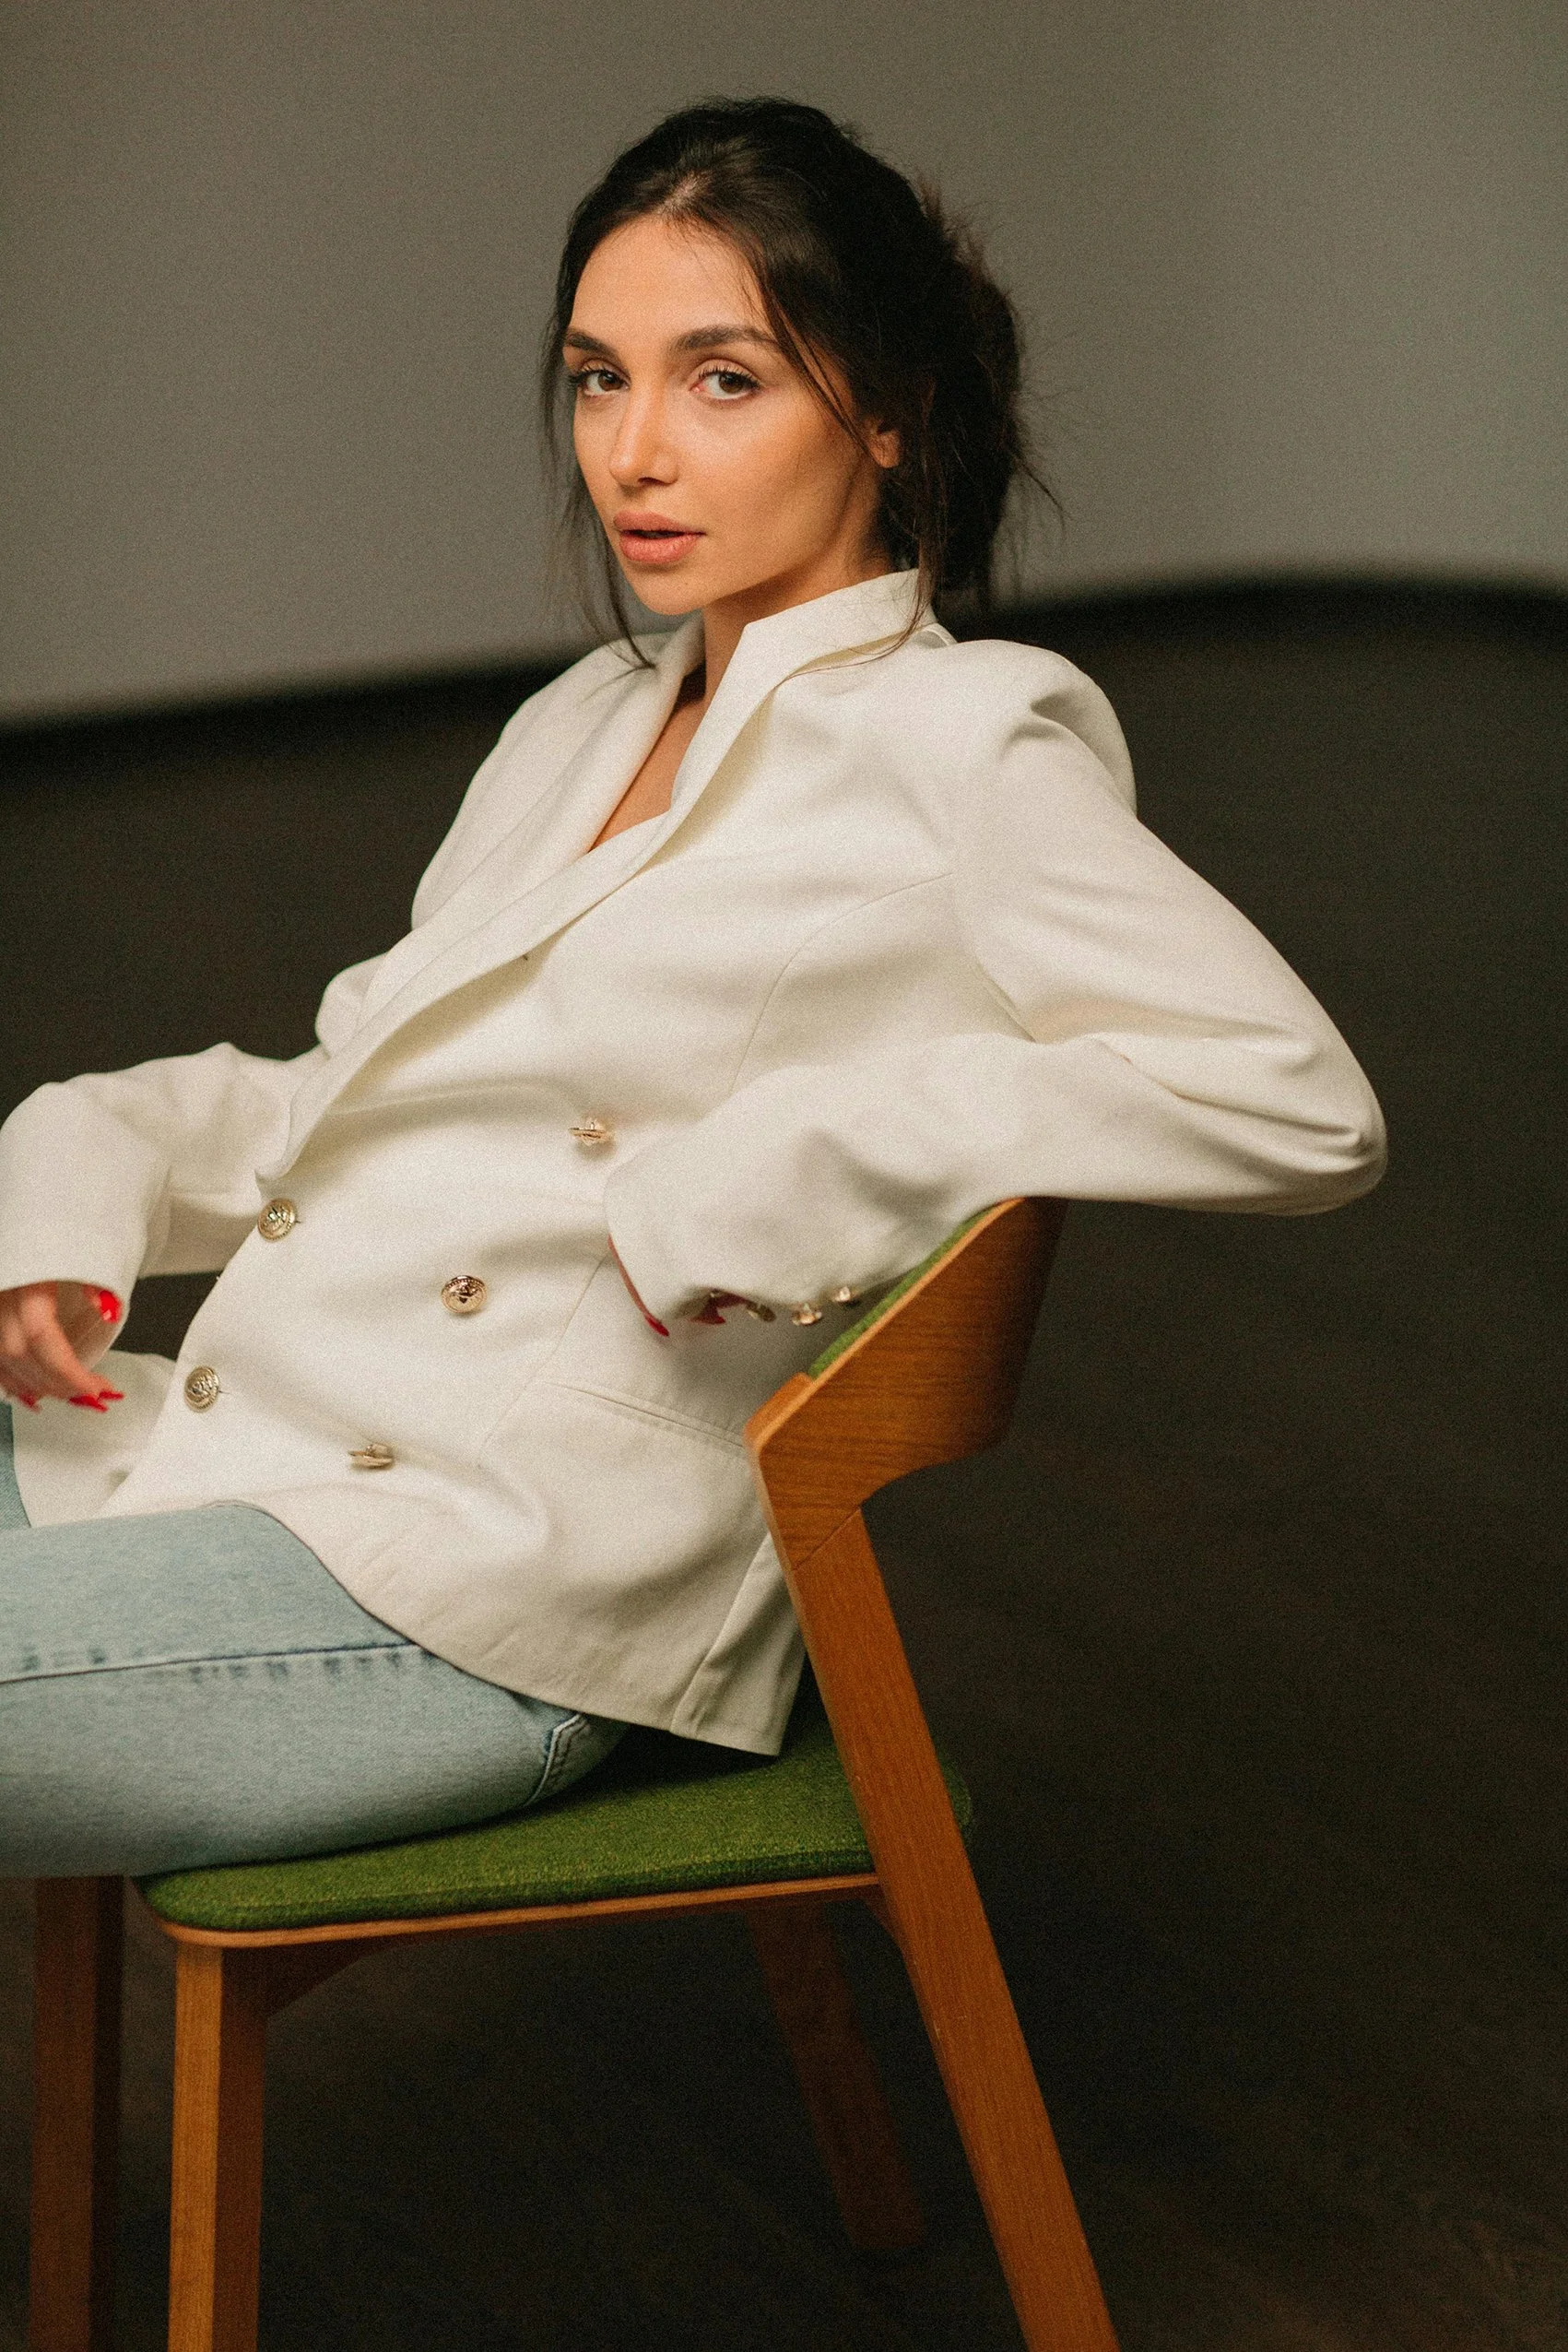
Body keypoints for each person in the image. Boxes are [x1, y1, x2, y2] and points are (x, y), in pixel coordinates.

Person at [0, 99, 1384, 1877]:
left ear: (889, 412)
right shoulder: (583, 717)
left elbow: (1294, 1090)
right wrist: (79, 1170)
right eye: (598, 378)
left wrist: (810, 1156)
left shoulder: (963, 743)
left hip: (499, 1588)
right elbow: (349, 1089)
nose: (635, 451)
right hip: (266, 1447)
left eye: (724, 380)